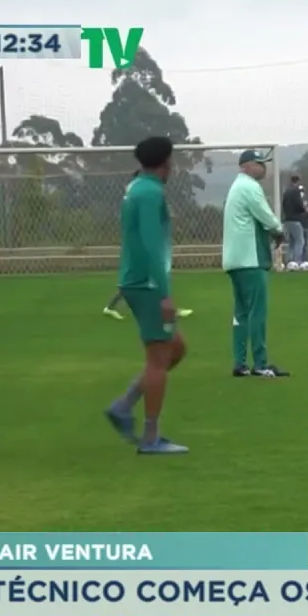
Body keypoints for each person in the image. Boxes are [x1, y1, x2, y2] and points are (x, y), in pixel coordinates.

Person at [102, 137, 190, 455]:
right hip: (148, 284)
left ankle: (123, 405)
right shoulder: (151, 193)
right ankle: (151, 437)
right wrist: (164, 295)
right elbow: (153, 245)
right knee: (158, 357)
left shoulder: (136, 188)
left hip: (137, 281)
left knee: (175, 350)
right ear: (166, 163)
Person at [223, 149, 291, 378]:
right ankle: (261, 363)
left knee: (241, 313)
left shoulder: (236, 187)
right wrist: (279, 231)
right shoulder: (250, 187)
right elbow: (265, 215)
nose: (264, 167)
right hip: (250, 259)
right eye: (260, 163)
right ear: (247, 165)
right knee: (257, 312)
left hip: (235, 260)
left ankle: (240, 363)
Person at [103, 170, 194, 320]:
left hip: (143, 243)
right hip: (144, 245)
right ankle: (166, 308)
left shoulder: (136, 194)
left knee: (143, 278)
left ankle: (112, 307)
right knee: (149, 276)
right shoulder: (139, 194)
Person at [280, 174, 308, 266]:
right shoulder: (296, 191)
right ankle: (297, 261)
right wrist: (304, 208)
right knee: (300, 241)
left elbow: (284, 205)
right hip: (296, 219)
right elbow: (298, 204)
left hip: (287, 219)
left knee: (292, 242)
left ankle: (289, 261)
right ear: (298, 181)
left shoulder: (286, 191)